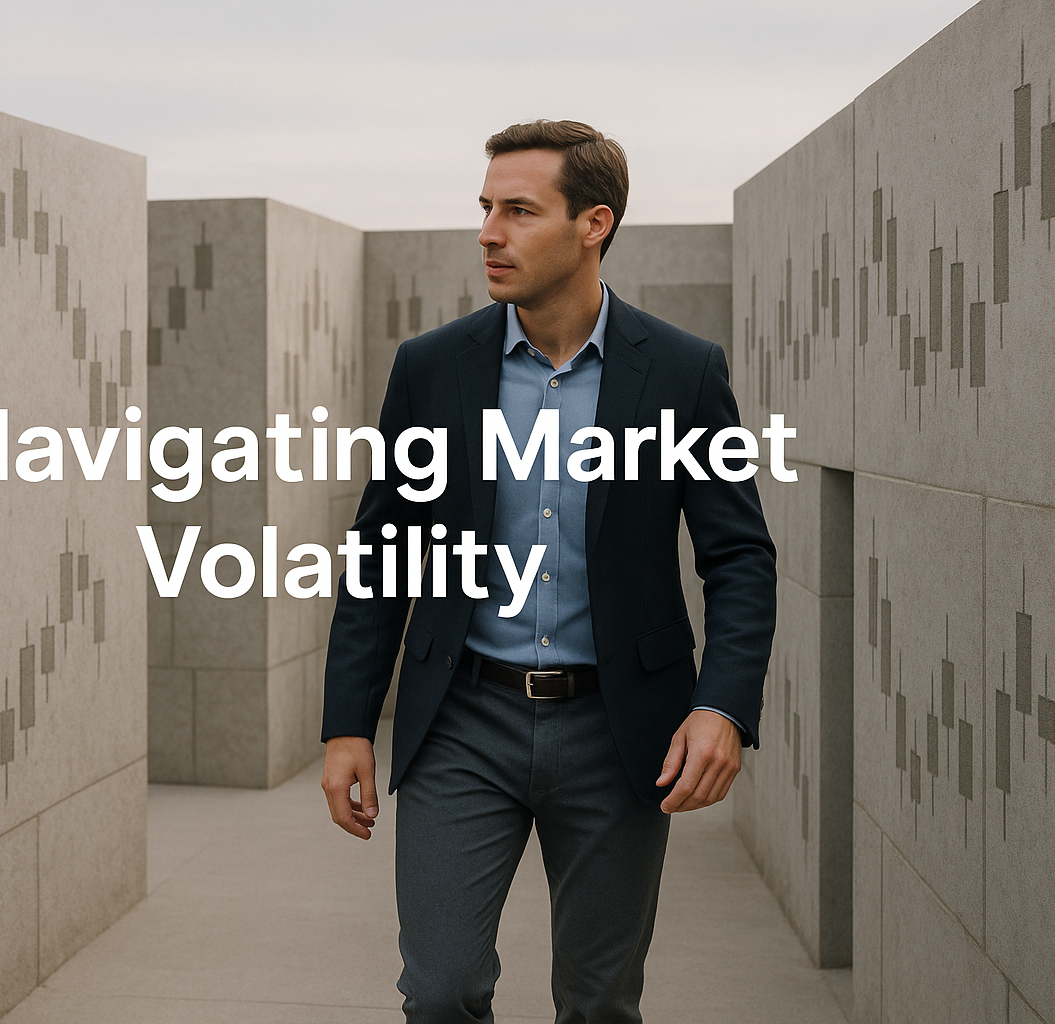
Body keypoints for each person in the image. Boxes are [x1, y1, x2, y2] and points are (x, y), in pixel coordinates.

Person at [319, 119, 777, 1023]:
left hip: (620, 730)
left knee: (600, 1003)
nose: (489, 232)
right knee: (442, 991)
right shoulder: (431, 369)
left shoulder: (684, 373)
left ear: (593, 223)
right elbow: (380, 554)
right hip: (462, 720)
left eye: (519, 211)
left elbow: (738, 555)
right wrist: (345, 724)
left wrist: (722, 706)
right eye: (485, 208)